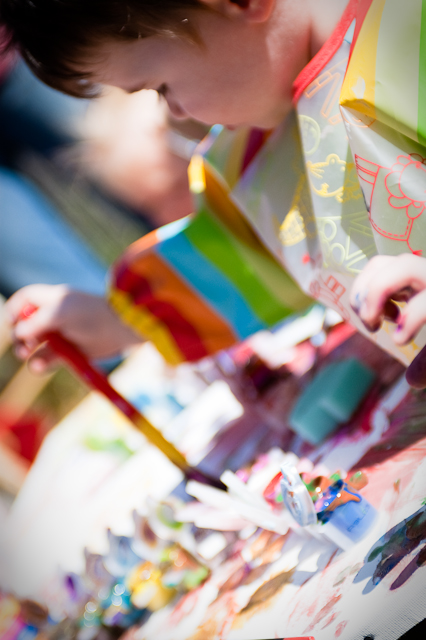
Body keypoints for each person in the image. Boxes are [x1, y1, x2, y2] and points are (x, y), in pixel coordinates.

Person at [2, 0, 426, 385]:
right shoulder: (260, 151)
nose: (175, 112)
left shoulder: (407, 34)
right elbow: (244, 257)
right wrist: (120, 321)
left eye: (161, 87)